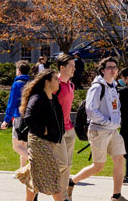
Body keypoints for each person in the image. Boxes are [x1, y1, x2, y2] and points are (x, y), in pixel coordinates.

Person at [71, 57, 127, 201]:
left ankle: (116, 195)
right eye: (109, 67)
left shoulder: (113, 86)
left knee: (120, 159)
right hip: (99, 131)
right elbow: (91, 110)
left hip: (113, 130)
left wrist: (116, 121)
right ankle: (71, 182)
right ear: (102, 70)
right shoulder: (97, 87)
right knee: (98, 166)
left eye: (115, 67)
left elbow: (116, 107)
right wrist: (107, 122)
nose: (113, 70)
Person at [14, 68, 64, 201]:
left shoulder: (53, 99)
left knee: (35, 174)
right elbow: (29, 117)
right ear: (47, 82)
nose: (58, 82)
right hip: (39, 142)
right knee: (53, 175)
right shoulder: (38, 98)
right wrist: (42, 130)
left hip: (50, 141)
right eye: (55, 79)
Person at [51, 53, 77, 201]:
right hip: (57, 130)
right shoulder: (56, 84)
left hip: (69, 129)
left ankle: (64, 196)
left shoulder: (71, 85)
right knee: (61, 164)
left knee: (68, 164)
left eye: (74, 66)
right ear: (62, 67)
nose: (74, 69)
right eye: (71, 66)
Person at [4, 60, 32, 167]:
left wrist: (6, 120)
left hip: (19, 117)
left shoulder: (17, 84)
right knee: (24, 145)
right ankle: (22, 170)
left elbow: (12, 103)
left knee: (16, 146)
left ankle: (36, 162)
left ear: (19, 70)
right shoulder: (31, 83)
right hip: (30, 116)